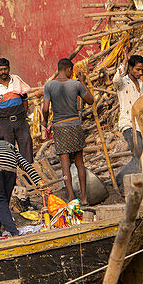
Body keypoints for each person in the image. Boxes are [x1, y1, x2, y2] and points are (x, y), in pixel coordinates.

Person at [43, 58, 94, 204]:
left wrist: (45, 121)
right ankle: (84, 198)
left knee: (65, 165)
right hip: (74, 126)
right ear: (69, 70)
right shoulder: (76, 84)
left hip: (59, 127)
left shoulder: (48, 86)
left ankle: (71, 197)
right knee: (79, 163)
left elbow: (45, 109)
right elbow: (90, 100)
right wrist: (82, 81)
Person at [0, 58, 33, 160]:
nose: (3, 72)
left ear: (9, 69)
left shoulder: (17, 82)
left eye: (5, 69)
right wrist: (1, 123)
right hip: (5, 123)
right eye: (0, 69)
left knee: (27, 152)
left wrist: (23, 116)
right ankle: (11, 176)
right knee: (7, 155)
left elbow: (25, 101)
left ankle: (27, 175)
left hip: (21, 122)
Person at [115, 53, 143, 183]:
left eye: (142, 70)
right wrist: (123, 63)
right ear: (130, 68)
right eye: (137, 69)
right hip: (128, 124)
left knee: (142, 156)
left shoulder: (140, 83)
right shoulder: (123, 82)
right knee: (138, 156)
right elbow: (116, 80)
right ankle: (120, 179)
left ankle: (125, 180)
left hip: (140, 126)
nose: (140, 72)